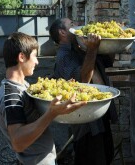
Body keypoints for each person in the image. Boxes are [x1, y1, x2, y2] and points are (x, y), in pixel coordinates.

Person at [0, 32, 86, 165]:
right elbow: (18, 142)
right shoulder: (11, 96)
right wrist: (51, 113)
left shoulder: (23, 86)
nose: (37, 62)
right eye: (34, 56)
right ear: (21, 57)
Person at [49, 18, 116, 165]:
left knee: (107, 156)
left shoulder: (80, 48)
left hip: (100, 115)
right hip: (87, 124)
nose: (77, 25)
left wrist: (109, 41)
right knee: (90, 159)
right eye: (72, 24)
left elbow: (109, 60)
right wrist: (92, 50)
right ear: (62, 32)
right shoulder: (63, 57)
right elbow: (83, 80)